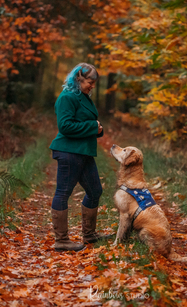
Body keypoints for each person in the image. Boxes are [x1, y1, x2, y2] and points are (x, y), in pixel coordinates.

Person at [49, 63, 110, 252]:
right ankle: (61, 240)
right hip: (69, 152)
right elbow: (65, 126)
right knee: (63, 193)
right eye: (89, 82)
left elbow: (86, 123)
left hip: (83, 152)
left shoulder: (83, 97)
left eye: (93, 83)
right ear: (78, 79)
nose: (92, 86)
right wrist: (93, 126)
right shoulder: (67, 97)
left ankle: (89, 235)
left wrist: (97, 129)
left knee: (95, 191)